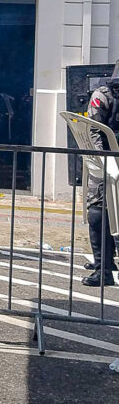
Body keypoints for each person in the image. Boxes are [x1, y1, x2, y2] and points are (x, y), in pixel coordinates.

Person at [82, 62, 119, 286]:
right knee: (97, 213)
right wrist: (103, 165)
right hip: (106, 162)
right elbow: (93, 130)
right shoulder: (103, 96)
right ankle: (103, 269)